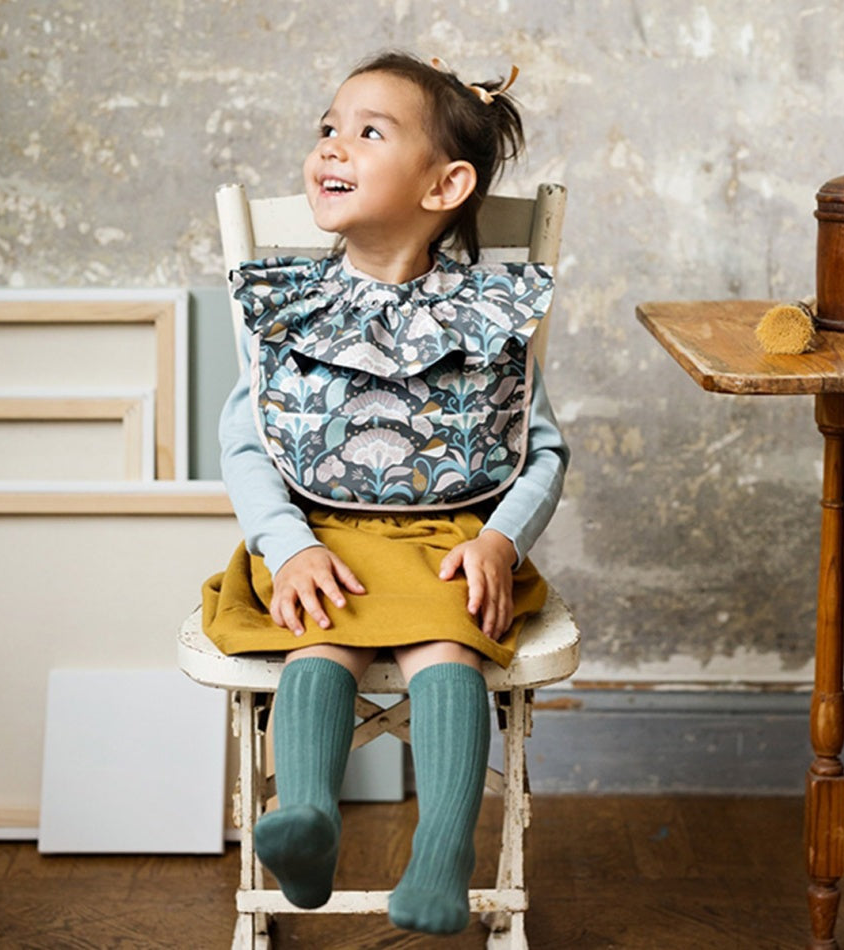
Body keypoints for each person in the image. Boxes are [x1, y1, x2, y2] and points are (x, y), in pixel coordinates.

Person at [202, 49, 569, 936]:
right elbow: (247, 441)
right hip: (317, 536)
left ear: (444, 185)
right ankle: (311, 822)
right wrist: (285, 546)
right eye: (328, 126)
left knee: (448, 649)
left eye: (369, 132)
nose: (333, 145)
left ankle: (443, 852)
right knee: (316, 646)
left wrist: (499, 541)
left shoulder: (484, 314)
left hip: (447, 537)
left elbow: (542, 449)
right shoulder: (292, 306)